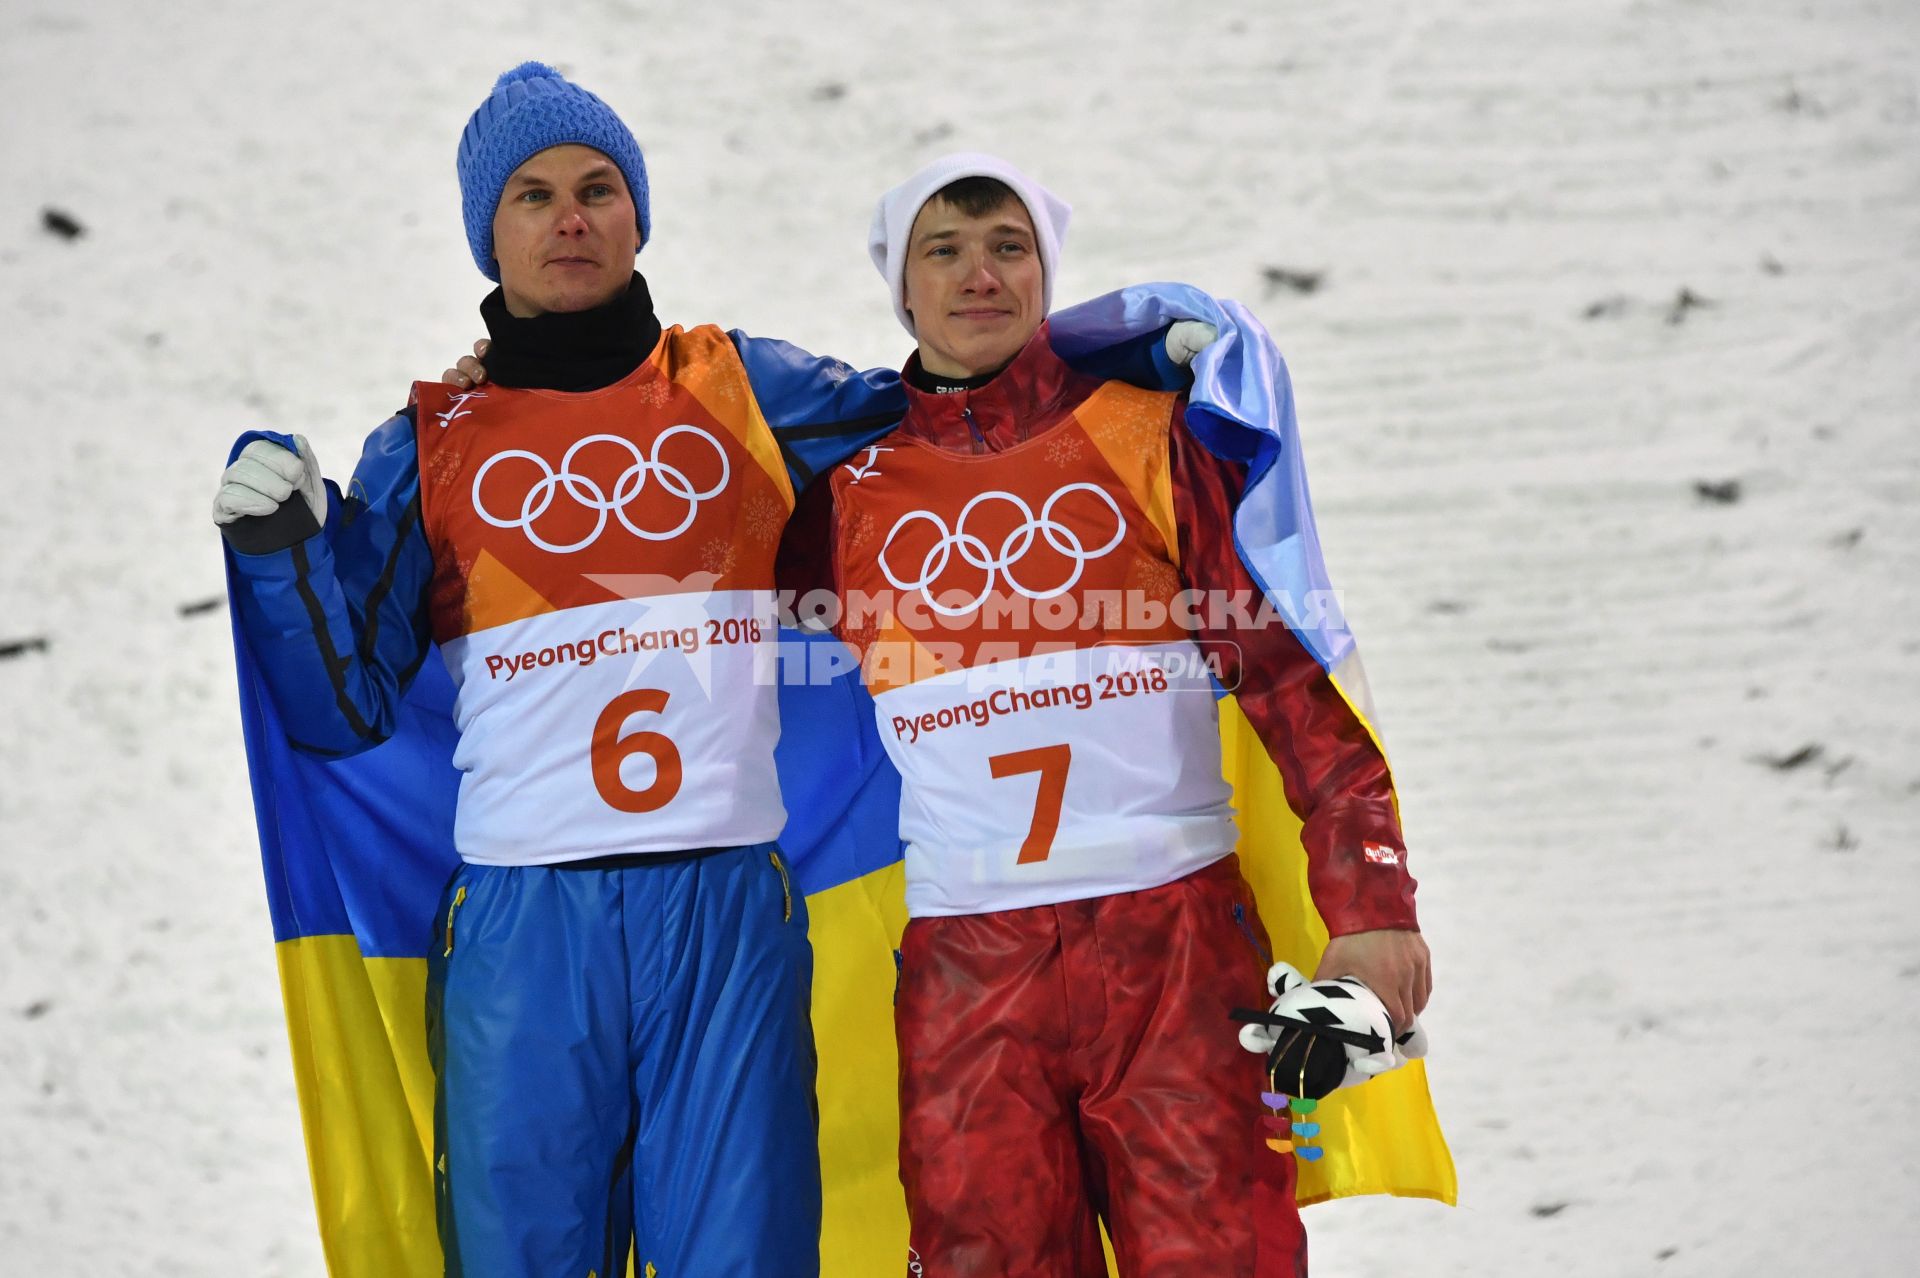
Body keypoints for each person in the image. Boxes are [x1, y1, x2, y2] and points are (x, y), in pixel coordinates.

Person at [212, 61, 923, 1278]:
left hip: (723, 913)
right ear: (489, 237)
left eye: (598, 188)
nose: (572, 218)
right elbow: (345, 708)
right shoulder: (428, 442)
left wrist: (1130, 357)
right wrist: (281, 554)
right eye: (533, 198)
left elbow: (959, 427)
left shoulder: (743, 389)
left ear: (641, 215)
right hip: (523, 925)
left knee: (744, 1254)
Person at [786, 154, 1435, 1275]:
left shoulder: (1151, 438)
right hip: (967, 972)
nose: (978, 274)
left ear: (1047, 272)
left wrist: (1370, 900)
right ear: (901, 286)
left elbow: (1288, 679)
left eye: (1008, 247)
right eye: (943, 249)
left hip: (1174, 951)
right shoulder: (844, 499)